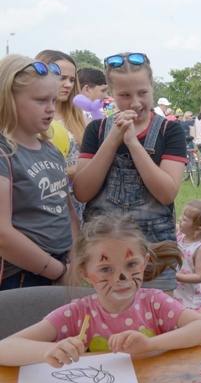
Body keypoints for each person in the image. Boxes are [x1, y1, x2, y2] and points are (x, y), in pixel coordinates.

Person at [0, 214, 201, 368]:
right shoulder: (76, 314)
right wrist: (45, 352)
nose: (120, 278)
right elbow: (5, 348)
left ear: (144, 263)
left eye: (131, 265)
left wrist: (149, 345)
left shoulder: (154, 302)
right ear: (85, 273)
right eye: (105, 269)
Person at [74, 52, 187, 292]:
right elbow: (82, 192)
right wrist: (112, 139)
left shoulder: (170, 131)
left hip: (154, 252)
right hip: (101, 252)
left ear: (152, 88)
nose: (135, 103)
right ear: (111, 95)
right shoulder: (97, 130)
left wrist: (134, 144)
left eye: (143, 93)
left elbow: (167, 193)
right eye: (124, 95)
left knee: (154, 321)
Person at [0, 55, 77, 290]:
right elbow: (2, 233)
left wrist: (74, 259)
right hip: (21, 274)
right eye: (41, 100)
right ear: (8, 99)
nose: (51, 109)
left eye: (54, 100)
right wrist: (57, 271)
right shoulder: (4, 153)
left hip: (62, 267)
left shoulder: (51, 149)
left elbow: (67, 209)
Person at [35, 50, 88, 222]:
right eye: (61, 77)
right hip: (41, 204)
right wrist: (67, 173)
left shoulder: (82, 121)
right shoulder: (29, 121)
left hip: (79, 205)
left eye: (72, 79)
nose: (68, 84)